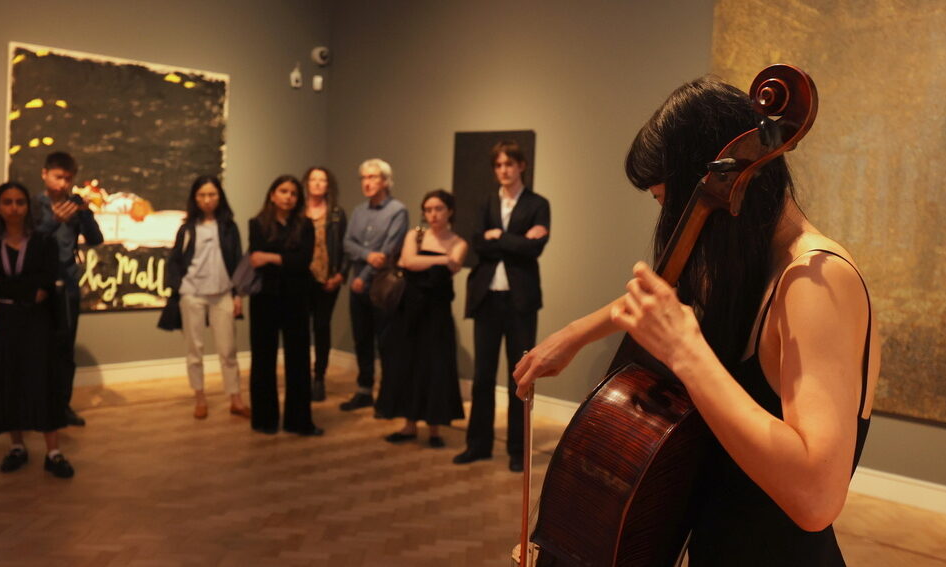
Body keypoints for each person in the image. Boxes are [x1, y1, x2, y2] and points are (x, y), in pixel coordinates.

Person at [513, 77, 879, 565]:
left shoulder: (816, 281)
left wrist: (687, 353)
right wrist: (573, 335)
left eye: (668, 203)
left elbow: (817, 497)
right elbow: (663, 296)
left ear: (722, 184)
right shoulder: (750, 266)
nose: (677, 224)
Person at [454, 141, 550, 473]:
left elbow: (534, 250)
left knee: (519, 376)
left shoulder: (538, 204)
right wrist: (515, 240)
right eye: (498, 165)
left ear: (522, 166)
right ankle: (476, 445)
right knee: (482, 376)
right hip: (486, 299)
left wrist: (500, 238)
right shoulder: (485, 201)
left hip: (520, 301)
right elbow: (477, 243)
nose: (503, 170)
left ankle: (516, 450)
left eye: (509, 164)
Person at [0, 182, 74, 478]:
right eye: (7, 202)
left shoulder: (44, 242)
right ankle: (17, 446)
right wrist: (26, 290)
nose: (14, 208)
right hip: (1, 322)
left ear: (28, 207)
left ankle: (53, 452)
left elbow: (46, 278)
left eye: (19, 202)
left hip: (38, 322)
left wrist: (7, 286)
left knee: (43, 380)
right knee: (9, 381)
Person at [375, 190, 468, 448]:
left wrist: (434, 261)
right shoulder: (414, 235)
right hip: (409, 313)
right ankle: (408, 425)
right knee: (407, 365)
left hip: (437, 315)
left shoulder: (458, 241)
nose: (433, 214)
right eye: (428, 209)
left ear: (449, 210)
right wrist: (441, 259)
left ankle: (434, 429)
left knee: (436, 368)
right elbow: (408, 261)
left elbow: (457, 263)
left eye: (438, 208)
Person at [164, 175, 248, 420]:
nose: (207, 200)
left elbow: (237, 260)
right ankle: (199, 398)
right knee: (195, 350)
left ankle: (236, 398)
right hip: (192, 294)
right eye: (202, 195)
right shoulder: (188, 228)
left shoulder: (229, 227)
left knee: (228, 349)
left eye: (212, 194)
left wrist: (237, 293)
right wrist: (180, 287)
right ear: (195, 198)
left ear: (219, 196)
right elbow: (175, 261)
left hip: (222, 293)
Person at [32, 151, 103, 426]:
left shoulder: (75, 208)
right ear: (45, 174)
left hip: (69, 286)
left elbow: (96, 239)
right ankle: (35, 407)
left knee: (65, 351)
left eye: (68, 178)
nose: (63, 184)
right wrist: (54, 221)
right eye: (58, 177)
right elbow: (30, 242)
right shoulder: (34, 206)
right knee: (37, 349)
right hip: (39, 286)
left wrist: (85, 214)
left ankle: (62, 407)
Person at [247, 175, 322, 436]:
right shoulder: (257, 224)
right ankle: (264, 419)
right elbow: (254, 259)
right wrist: (283, 259)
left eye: (293, 192)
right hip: (264, 298)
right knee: (263, 358)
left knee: (299, 359)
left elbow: (302, 261)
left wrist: (270, 256)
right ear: (272, 194)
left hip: (296, 298)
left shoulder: (306, 225)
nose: (288, 196)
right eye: (283, 191)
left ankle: (298, 421)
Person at [340, 159, 408, 411]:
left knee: (386, 341)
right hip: (358, 287)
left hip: (382, 286)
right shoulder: (358, 211)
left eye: (373, 178)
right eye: (364, 178)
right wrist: (367, 256)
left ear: (386, 181)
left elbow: (388, 250)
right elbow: (347, 244)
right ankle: (364, 390)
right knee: (362, 339)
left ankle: (388, 396)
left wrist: (363, 275)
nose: (367, 183)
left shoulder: (397, 211)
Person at [302, 166, 348, 402]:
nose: (318, 184)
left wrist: (341, 275)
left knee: (321, 327)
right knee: (299, 328)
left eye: (323, 180)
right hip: (301, 278)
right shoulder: (298, 211)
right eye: (314, 179)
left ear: (328, 185)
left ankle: (319, 377)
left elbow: (346, 247)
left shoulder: (337, 214)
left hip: (328, 278)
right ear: (307, 183)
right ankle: (300, 376)